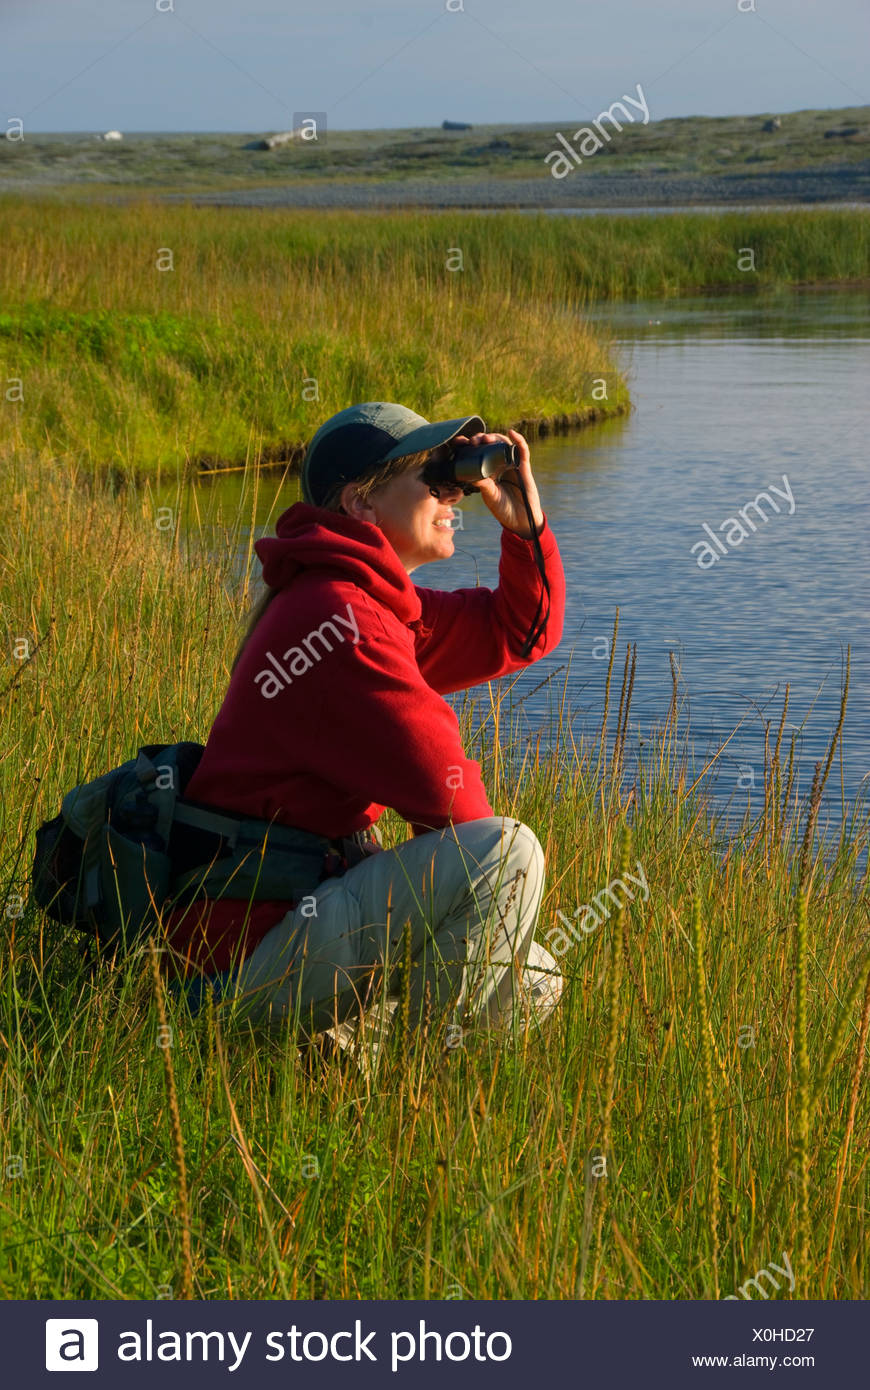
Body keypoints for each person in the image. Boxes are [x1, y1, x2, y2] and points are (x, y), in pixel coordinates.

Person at [164, 402, 567, 1055]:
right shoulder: (338, 623)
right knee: (505, 853)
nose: (452, 491)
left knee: (532, 973)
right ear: (360, 502)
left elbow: (515, 632)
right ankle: (417, 1110)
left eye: (452, 474)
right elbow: (456, 809)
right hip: (234, 967)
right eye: (432, 477)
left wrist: (525, 530)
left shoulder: (368, 605)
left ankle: (340, 1061)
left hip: (290, 929)